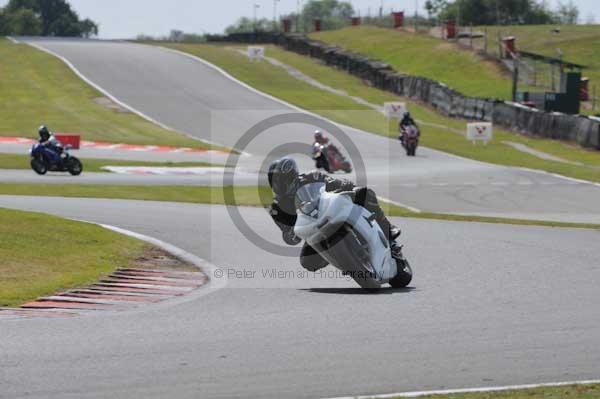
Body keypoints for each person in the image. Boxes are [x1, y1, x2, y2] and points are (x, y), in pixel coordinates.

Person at [267, 157, 402, 272]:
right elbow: (286, 234)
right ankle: (340, 258)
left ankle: (389, 233)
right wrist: (291, 234)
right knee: (307, 262)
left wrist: (343, 184)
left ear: (291, 176)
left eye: (279, 180)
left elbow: (335, 183)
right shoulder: (276, 208)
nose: (278, 185)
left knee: (366, 194)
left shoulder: (312, 177)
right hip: (313, 232)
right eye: (274, 181)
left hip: (331, 211)